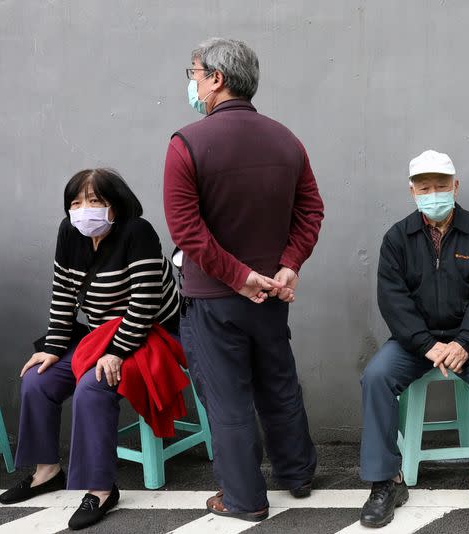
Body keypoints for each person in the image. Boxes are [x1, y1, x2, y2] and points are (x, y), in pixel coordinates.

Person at [163, 37, 324, 522]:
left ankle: (243, 499)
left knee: (226, 396)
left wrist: (238, 277)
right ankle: (297, 475)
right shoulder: (286, 139)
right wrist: (288, 265)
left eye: (194, 73)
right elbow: (310, 209)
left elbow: (186, 230)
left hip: (214, 296)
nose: (191, 83)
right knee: (278, 383)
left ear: (216, 78)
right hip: (274, 292)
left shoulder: (186, 143)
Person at [0, 169, 181, 530]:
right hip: (98, 336)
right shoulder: (70, 234)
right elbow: (63, 295)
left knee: (92, 387)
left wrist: (116, 351)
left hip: (148, 335)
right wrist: (52, 347)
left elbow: (144, 303)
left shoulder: (137, 232)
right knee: (38, 380)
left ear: (116, 205)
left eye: (95, 201)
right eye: (76, 202)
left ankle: (100, 489)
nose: (84, 210)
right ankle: (46, 471)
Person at [359, 150, 469, 532]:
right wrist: (426, 345)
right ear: (412, 192)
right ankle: (387, 482)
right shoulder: (397, 238)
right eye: (425, 187)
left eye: (441, 186)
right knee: (376, 377)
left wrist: (464, 343)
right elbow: (392, 300)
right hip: (414, 343)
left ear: (456, 186)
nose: (434, 194)